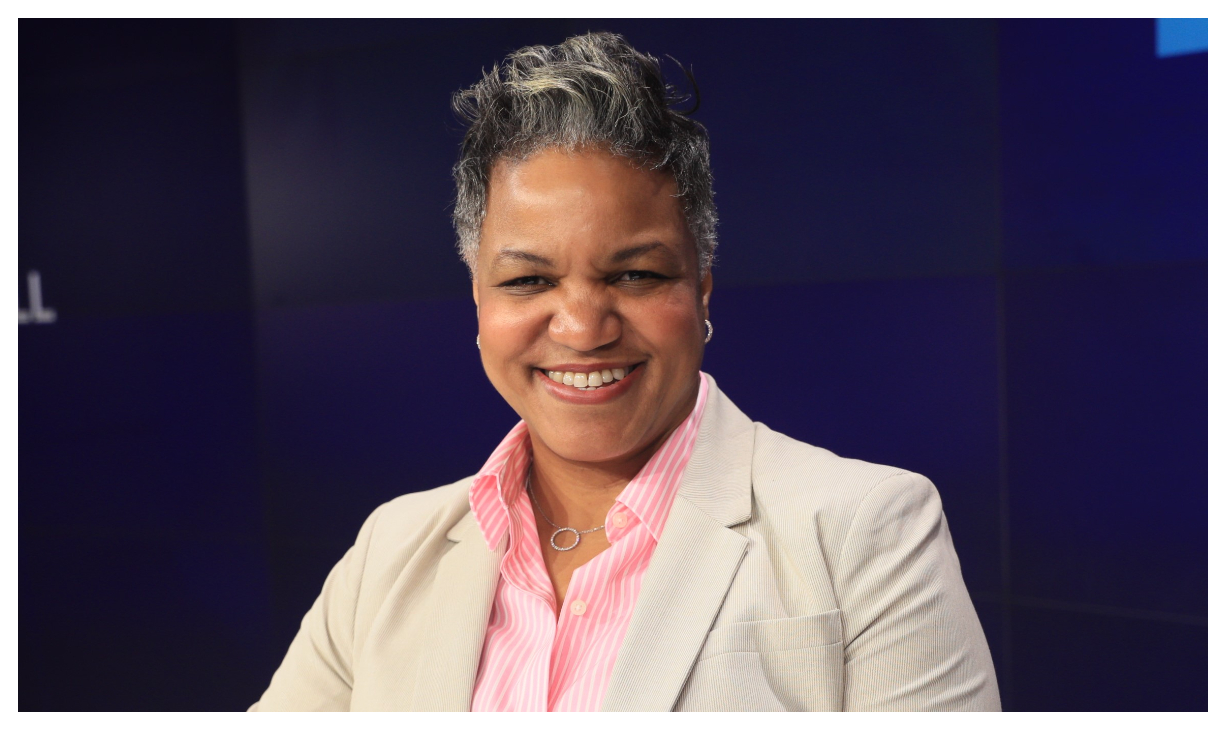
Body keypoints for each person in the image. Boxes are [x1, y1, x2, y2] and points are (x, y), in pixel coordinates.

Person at [250, 31, 1000, 712]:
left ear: (700, 288)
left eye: (636, 275)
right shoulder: (393, 547)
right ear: (477, 301)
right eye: (527, 281)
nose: (582, 327)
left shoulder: (866, 532)